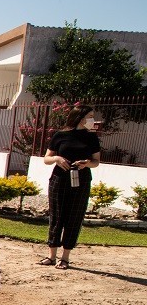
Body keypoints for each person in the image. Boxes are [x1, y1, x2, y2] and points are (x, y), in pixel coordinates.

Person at [39, 105, 100, 270]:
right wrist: (57, 158)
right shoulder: (60, 135)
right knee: (57, 216)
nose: (93, 120)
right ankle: (51, 256)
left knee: (74, 218)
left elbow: (96, 162)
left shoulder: (91, 138)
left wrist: (86, 164)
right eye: (90, 116)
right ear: (80, 118)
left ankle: (65, 257)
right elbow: (46, 158)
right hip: (59, 180)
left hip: (81, 181)